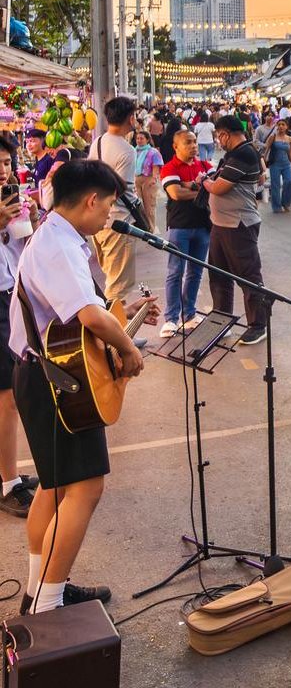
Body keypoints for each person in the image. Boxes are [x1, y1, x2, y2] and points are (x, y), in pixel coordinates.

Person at [11, 159, 158, 612]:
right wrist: (129, 351)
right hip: (56, 381)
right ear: (91, 200)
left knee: (56, 488)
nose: (109, 217)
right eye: (109, 207)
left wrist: (126, 310)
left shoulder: (60, 237)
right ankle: (49, 604)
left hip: (47, 373)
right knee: (85, 487)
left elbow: (83, 308)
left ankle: (43, 587)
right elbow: (89, 317)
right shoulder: (57, 244)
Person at [201, 114, 267, 346]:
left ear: (225, 134)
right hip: (221, 224)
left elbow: (219, 187)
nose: (219, 142)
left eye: (219, 137)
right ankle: (221, 319)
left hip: (239, 224)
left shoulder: (243, 153)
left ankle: (258, 325)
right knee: (219, 274)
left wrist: (204, 182)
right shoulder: (237, 153)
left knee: (248, 275)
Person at [0, 137, 39, 519]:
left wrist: (30, 225)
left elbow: (18, 253)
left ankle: (7, 475)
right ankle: (8, 485)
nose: (3, 169)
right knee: (7, 397)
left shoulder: (12, 200)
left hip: (10, 295)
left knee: (12, 392)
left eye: (7, 162)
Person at [159, 127, 212, 337]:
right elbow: (175, 193)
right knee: (175, 273)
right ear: (175, 146)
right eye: (187, 143)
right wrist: (201, 188)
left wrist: (190, 186)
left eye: (194, 142)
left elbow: (215, 186)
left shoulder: (204, 165)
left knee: (195, 273)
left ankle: (189, 315)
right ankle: (171, 319)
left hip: (203, 227)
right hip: (179, 227)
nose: (193, 146)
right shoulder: (169, 167)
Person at [88, 96, 138, 305]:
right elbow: (120, 188)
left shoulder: (98, 142)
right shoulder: (127, 150)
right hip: (119, 221)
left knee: (112, 277)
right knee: (118, 286)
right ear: (131, 119)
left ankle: (119, 331)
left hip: (98, 222)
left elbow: (89, 176)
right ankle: (117, 335)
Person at [132, 129, 163, 233]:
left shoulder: (153, 152)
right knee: (138, 206)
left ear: (147, 140)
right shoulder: (133, 150)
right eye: (137, 138)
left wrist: (153, 179)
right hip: (136, 179)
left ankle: (150, 229)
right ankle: (141, 228)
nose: (139, 140)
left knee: (149, 207)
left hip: (148, 180)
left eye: (141, 138)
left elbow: (156, 167)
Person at [263, 119, 291, 214]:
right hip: (275, 164)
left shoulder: (289, 138)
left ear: (286, 127)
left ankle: (285, 203)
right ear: (277, 126)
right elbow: (267, 149)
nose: (281, 126)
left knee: (289, 181)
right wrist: (263, 161)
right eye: (279, 124)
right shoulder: (273, 137)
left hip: (286, 164)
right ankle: (276, 206)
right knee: (275, 185)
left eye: (283, 124)